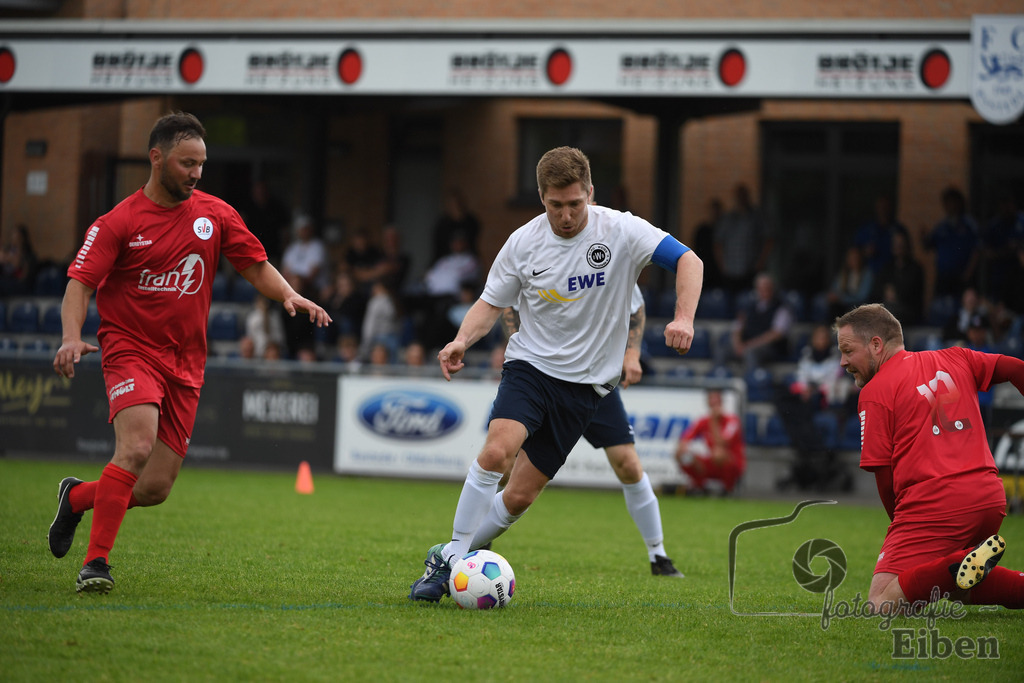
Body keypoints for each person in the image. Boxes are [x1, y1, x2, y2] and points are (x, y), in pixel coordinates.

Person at [47, 112, 332, 594]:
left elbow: (253, 263)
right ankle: (96, 563)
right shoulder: (119, 221)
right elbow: (80, 283)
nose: (197, 173)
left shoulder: (214, 213)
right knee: (135, 447)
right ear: (156, 158)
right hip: (129, 349)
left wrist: (287, 294)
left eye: (201, 164)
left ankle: (76, 499)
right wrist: (71, 335)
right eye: (187, 163)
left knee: (155, 488)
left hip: (186, 361)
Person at [408, 146, 702, 602]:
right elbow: (490, 304)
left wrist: (683, 317)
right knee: (497, 453)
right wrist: (462, 340)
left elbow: (689, 260)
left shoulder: (622, 230)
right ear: (542, 198)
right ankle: (449, 563)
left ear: (590, 193)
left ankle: (453, 553)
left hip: (588, 388)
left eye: (574, 204)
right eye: (554, 206)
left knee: (521, 496)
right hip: (531, 368)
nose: (565, 216)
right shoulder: (523, 242)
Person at [833, 303, 1024, 614]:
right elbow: (1017, 369)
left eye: (847, 350)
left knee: (880, 603)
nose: (842, 361)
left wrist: (900, 525)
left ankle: (954, 560)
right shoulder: (956, 357)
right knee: (949, 587)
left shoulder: (876, 391)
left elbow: (884, 475)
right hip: (989, 497)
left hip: (937, 503)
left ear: (876, 345)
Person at [497, 286, 685, 577]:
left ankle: (658, 555)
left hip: (593, 379)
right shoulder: (535, 247)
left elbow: (635, 306)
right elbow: (507, 302)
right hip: (538, 377)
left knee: (628, 464)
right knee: (505, 463)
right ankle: (474, 542)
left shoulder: (611, 253)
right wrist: (518, 346)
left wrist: (632, 354)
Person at [674, 389, 746, 496]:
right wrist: (683, 447)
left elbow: (722, 442)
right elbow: (686, 437)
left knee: (718, 454)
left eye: (716, 402)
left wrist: (714, 422)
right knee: (681, 454)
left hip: (732, 462)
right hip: (712, 461)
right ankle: (699, 487)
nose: (714, 406)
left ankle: (728, 489)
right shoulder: (703, 421)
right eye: (711, 402)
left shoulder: (732, 420)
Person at [724, 272, 793, 373]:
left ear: (772, 288)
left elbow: (776, 334)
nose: (763, 290)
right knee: (723, 348)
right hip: (746, 344)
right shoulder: (749, 306)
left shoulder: (782, 308)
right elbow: (737, 327)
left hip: (770, 347)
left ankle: (751, 382)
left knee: (750, 352)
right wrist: (738, 344)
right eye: (760, 288)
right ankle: (720, 379)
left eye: (766, 287)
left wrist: (750, 344)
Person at [921, 186, 980, 302]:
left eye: (951, 202)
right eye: (946, 202)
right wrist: (923, 237)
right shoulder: (942, 226)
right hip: (943, 277)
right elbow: (928, 247)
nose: (949, 205)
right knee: (940, 306)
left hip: (962, 277)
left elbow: (977, 250)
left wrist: (968, 273)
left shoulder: (969, 225)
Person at [713, 183, 771, 296]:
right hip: (730, 270)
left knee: (749, 301)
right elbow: (717, 243)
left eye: (743, 195)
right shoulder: (728, 218)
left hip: (750, 269)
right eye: (738, 195)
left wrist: (760, 262)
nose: (741, 198)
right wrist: (722, 265)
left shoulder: (756, 217)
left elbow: (769, 239)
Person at [853, 195, 909, 275]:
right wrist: (865, 252)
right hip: (870, 274)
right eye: (880, 207)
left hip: (893, 274)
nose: (883, 210)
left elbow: (908, 252)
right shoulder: (868, 229)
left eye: (886, 207)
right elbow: (854, 251)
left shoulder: (898, 229)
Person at [825, 245, 873, 320]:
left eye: (855, 258)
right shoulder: (844, 273)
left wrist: (842, 298)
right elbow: (835, 289)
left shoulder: (866, 274)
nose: (852, 260)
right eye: (850, 258)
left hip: (857, 304)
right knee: (823, 302)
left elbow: (862, 297)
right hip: (841, 303)